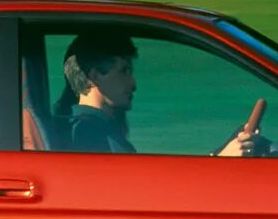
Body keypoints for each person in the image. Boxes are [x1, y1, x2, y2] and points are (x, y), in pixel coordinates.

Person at [53, 32, 256, 156]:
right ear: (95, 76)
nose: (133, 84)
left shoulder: (88, 130)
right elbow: (142, 194)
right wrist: (220, 165)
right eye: (124, 71)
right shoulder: (91, 135)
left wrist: (218, 155)